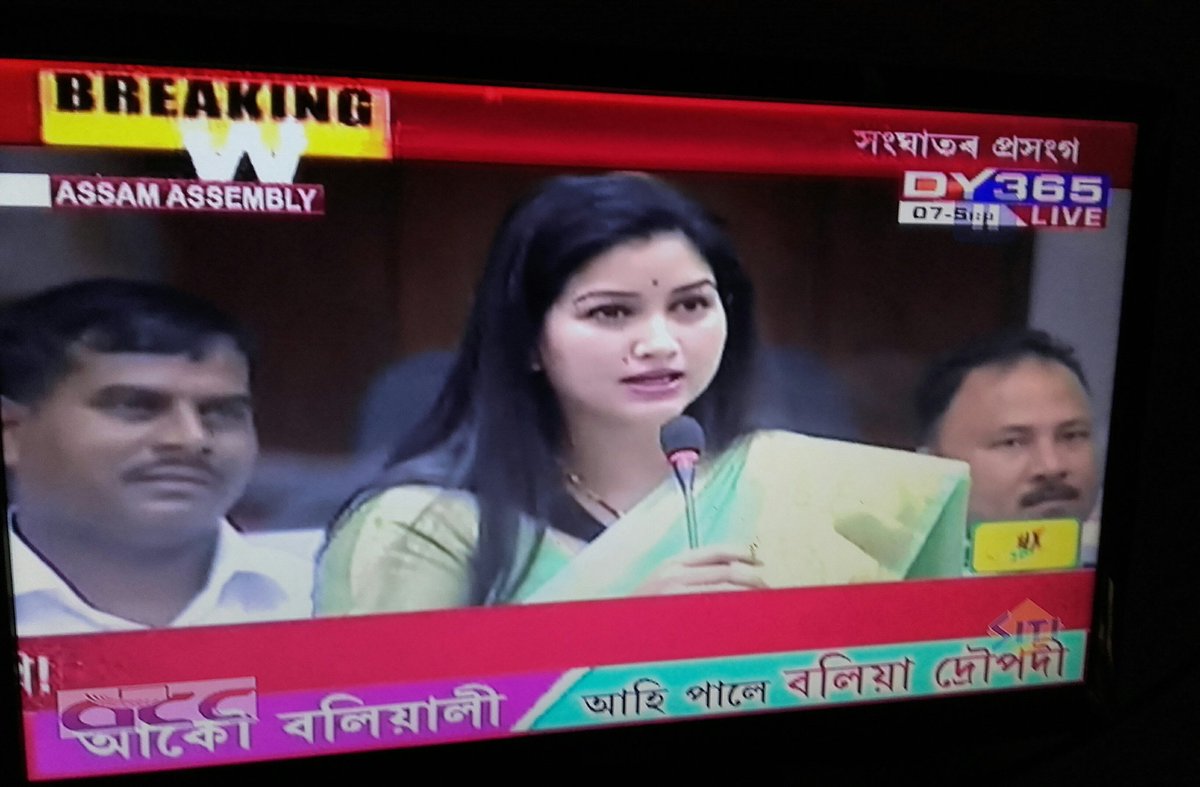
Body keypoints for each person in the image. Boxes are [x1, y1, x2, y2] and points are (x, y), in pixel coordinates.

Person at [316, 173, 970, 615]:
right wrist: (619, 628)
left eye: (690, 305)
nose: (660, 343)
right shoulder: (418, 527)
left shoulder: (803, 487)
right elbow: (384, 718)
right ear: (526, 340)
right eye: (611, 312)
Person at [1, 279, 313, 636]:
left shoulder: (324, 601)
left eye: (221, 412)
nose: (190, 438)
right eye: (135, 406)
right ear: (11, 433)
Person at [914, 328, 1101, 561]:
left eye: (1072, 436)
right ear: (933, 463)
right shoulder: (886, 579)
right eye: (1012, 442)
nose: (1052, 466)